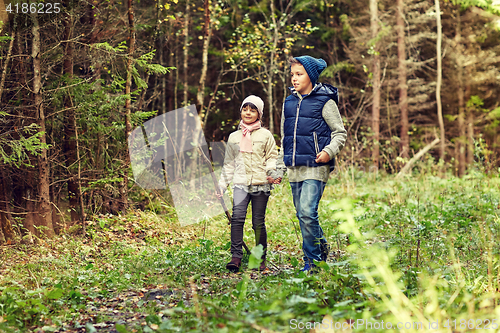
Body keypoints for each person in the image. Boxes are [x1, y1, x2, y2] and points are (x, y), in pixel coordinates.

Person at [276, 56, 347, 272]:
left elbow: (340, 133)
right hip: (294, 167)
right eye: (292, 74)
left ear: (311, 76)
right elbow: (284, 138)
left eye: (299, 74)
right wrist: (279, 167)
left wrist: (328, 152)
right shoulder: (288, 103)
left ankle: (313, 263)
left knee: (307, 211)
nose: (294, 79)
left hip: (317, 166)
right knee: (302, 215)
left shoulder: (325, 102)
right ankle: (321, 246)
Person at [218, 95, 280, 272]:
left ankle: (260, 258)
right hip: (240, 185)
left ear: (259, 114)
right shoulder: (234, 137)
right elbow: (229, 163)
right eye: (245, 109)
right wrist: (222, 185)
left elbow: (271, 157)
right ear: (241, 111)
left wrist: (271, 173)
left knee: (257, 222)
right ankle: (236, 257)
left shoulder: (266, 135)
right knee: (237, 219)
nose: (248, 113)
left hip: (261, 185)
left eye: (253, 110)